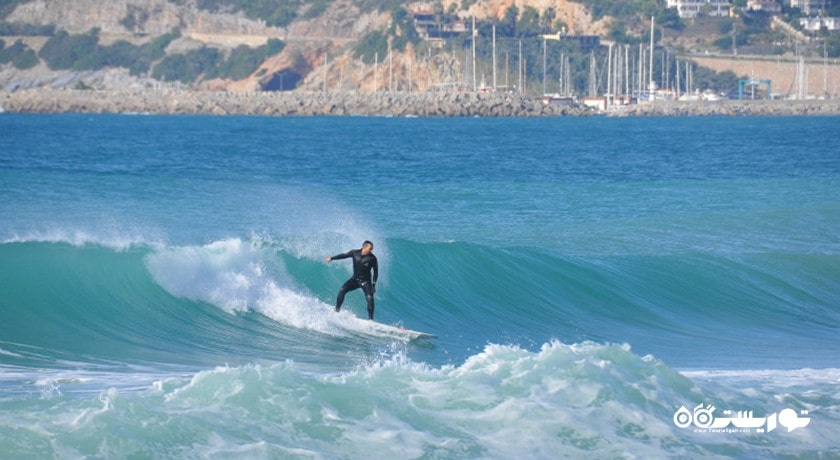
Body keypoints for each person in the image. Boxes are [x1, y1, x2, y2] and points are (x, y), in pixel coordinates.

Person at [325, 240, 379, 320]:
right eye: (370, 249)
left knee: (370, 298)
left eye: (372, 249)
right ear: (364, 247)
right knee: (342, 290)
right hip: (355, 279)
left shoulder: (373, 258)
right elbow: (344, 255)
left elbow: (376, 272)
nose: (371, 250)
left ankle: (371, 319)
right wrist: (332, 258)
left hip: (366, 282)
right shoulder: (354, 252)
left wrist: (373, 285)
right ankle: (337, 310)